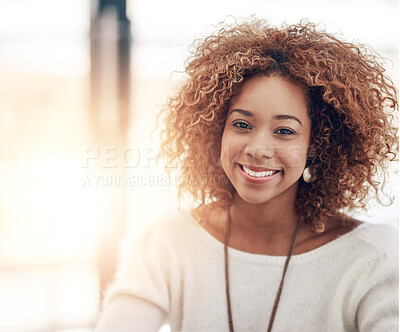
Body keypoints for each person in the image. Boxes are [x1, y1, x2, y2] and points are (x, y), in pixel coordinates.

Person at [95, 18, 398, 332]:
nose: (258, 148)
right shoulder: (167, 243)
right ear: (216, 132)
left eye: (284, 131)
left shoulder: (372, 257)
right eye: (242, 124)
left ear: (318, 145)